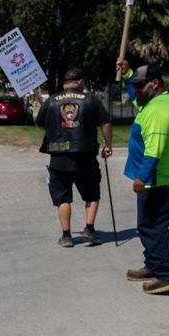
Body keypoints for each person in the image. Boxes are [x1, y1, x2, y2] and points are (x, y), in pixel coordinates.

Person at [117, 60, 169, 295]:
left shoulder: (159, 110)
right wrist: (127, 74)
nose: (135, 92)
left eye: (139, 86)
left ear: (154, 84)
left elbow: (153, 150)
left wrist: (141, 178)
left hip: (158, 180)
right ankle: (153, 265)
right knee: (147, 224)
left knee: (154, 226)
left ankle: (165, 275)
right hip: (157, 178)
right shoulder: (154, 103)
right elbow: (137, 99)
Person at [35, 68, 113, 247]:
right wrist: (108, 146)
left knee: (62, 197)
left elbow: (39, 123)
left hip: (58, 157)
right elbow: (106, 123)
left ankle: (66, 236)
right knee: (91, 194)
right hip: (85, 155)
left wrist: (53, 131)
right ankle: (89, 229)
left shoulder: (52, 100)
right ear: (79, 82)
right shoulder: (91, 100)